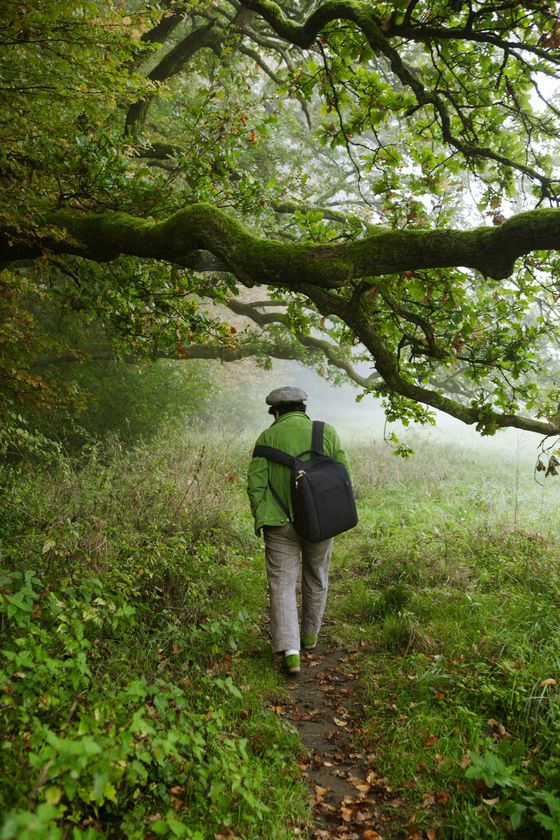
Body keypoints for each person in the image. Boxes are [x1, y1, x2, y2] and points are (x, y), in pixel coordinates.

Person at [247, 386, 351, 675]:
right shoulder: (326, 433)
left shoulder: (267, 437)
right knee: (316, 574)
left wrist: (263, 514)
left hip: (279, 523)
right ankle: (309, 636)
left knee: (281, 583)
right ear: (304, 409)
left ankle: (290, 653)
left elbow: (256, 485)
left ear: (275, 412)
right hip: (321, 520)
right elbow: (344, 475)